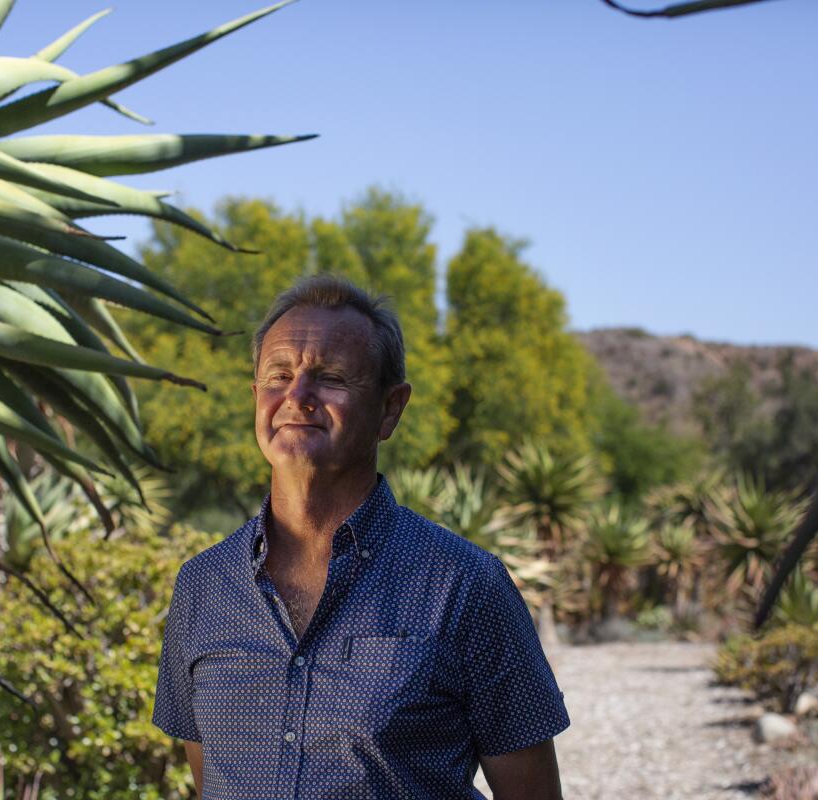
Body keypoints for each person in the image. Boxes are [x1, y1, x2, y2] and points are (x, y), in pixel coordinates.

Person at [153, 275, 569, 799]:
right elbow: (209, 780)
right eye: (278, 376)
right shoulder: (203, 586)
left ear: (390, 409)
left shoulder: (466, 586)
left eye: (329, 378)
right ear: (256, 397)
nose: (297, 397)